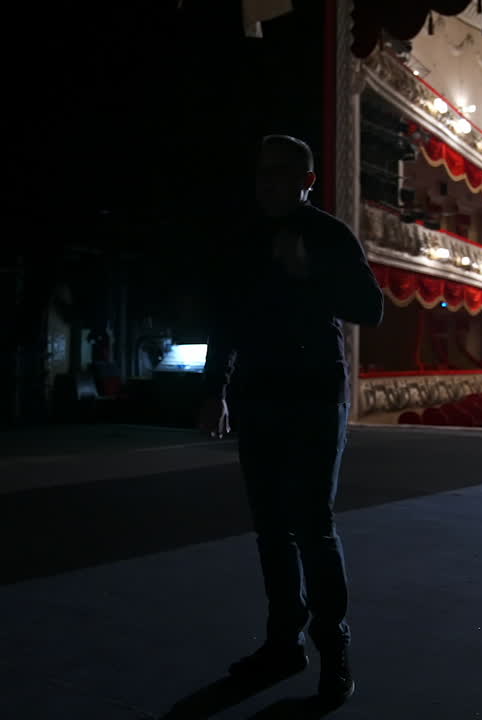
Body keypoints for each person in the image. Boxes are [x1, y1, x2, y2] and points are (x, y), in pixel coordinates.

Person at [197, 134, 383, 706]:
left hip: (314, 396)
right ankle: (283, 644)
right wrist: (215, 391)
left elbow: (370, 309)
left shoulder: (328, 235)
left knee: (312, 526)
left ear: (307, 181)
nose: (267, 181)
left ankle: (334, 648)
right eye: (261, 172)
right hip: (257, 396)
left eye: (279, 172)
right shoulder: (245, 240)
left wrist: (312, 274)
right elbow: (226, 320)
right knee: (271, 529)